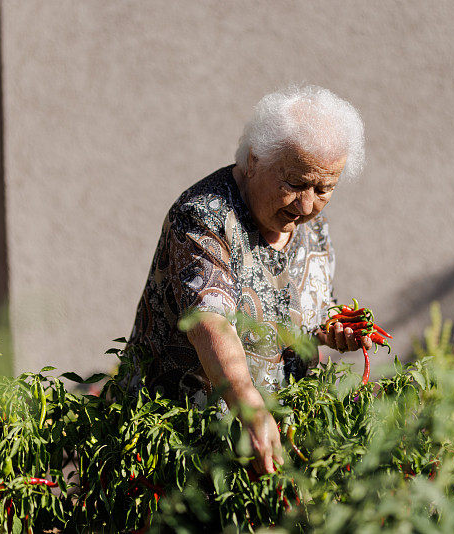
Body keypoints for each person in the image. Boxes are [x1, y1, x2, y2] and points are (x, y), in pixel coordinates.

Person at [124, 84, 372, 475]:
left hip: (274, 445)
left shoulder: (312, 226)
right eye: (295, 183)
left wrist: (331, 327)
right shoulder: (204, 218)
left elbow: (309, 304)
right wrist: (250, 405)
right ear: (255, 160)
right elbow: (210, 322)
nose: (307, 205)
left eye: (324, 189)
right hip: (182, 446)